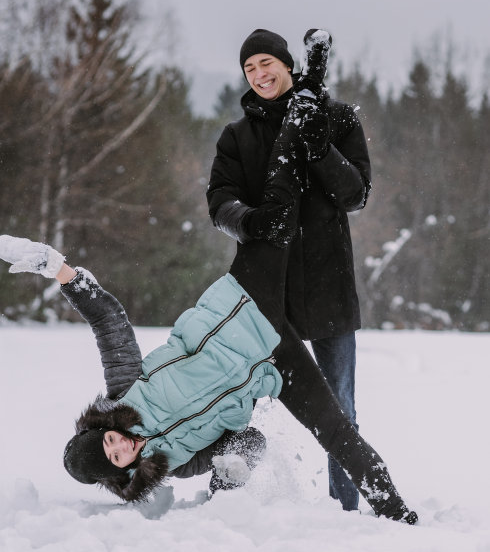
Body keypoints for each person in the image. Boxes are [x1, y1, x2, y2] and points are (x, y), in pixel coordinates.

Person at [0, 31, 417, 523]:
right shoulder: (177, 463)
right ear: (121, 472)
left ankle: (312, 84)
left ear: (101, 426)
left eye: (107, 438)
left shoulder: (124, 389)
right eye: (115, 456)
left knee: (279, 205)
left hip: (247, 303)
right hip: (269, 358)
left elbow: (109, 322)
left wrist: (59, 269)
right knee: (333, 427)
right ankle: (400, 518)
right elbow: (244, 443)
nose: (119, 443)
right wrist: (229, 482)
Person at [208, 28, 371, 511]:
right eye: (249, 68)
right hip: (264, 293)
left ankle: (348, 506)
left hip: (329, 285)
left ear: (287, 65)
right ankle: (226, 499)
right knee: (241, 401)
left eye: (266, 63)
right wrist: (250, 220)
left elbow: (355, 195)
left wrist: (321, 150)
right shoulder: (237, 136)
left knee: (339, 403)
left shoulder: (337, 118)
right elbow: (219, 201)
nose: (259, 75)